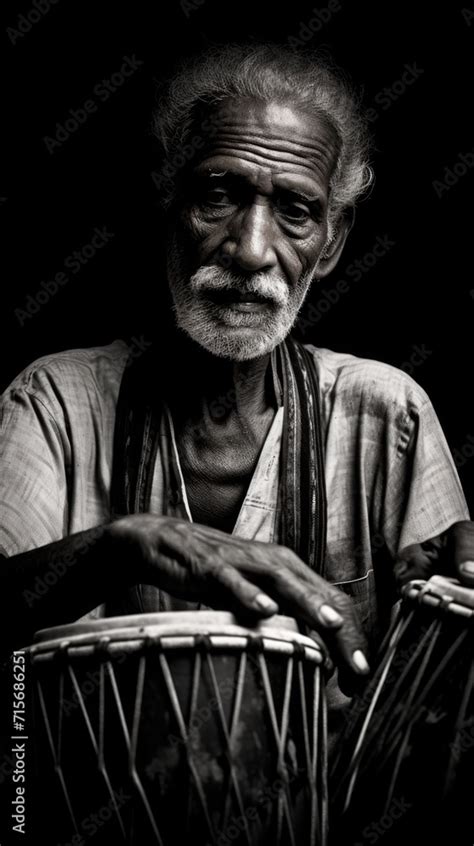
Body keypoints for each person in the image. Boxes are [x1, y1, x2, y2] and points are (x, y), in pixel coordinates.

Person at [0, 43, 472, 740]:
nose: (251, 250)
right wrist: (121, 548)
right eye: (218, 195)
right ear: (166, 202)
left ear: (333, 244)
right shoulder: (56, 401)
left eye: (295, 211)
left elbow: (439, 717)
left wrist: (448, 601)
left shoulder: (386, 412)